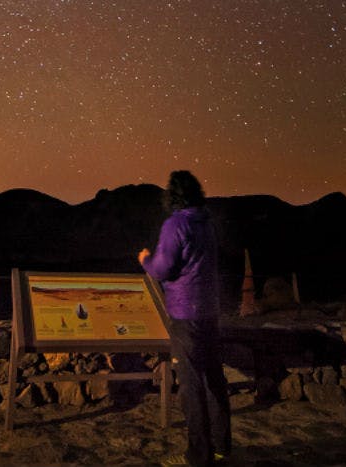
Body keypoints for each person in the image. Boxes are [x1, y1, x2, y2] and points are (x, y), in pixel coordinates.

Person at [138, 170, 231, 467]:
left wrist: (144, 259)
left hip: (185, 313)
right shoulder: (206, 222)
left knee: (191, 386)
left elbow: (163, 268)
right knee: (214, 379)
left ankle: (198, 456)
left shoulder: (176, 223)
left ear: (172, 195)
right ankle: (221, 446)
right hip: (209, 311)